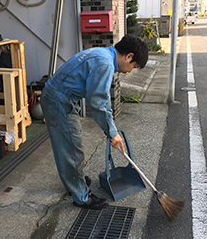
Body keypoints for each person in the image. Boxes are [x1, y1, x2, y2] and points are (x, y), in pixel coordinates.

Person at [41, 35, 148, 210]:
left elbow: (100, 99)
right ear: (128, 56)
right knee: (71, 150)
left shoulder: (103, 54)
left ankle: (76, 182)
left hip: (62, 98)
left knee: (71, 145)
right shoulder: (104, 64)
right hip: (58, 102)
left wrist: (111, 129)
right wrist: (112, 133)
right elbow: (97, 102)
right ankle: (81, 197)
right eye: (133, 66)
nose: (129, 71)